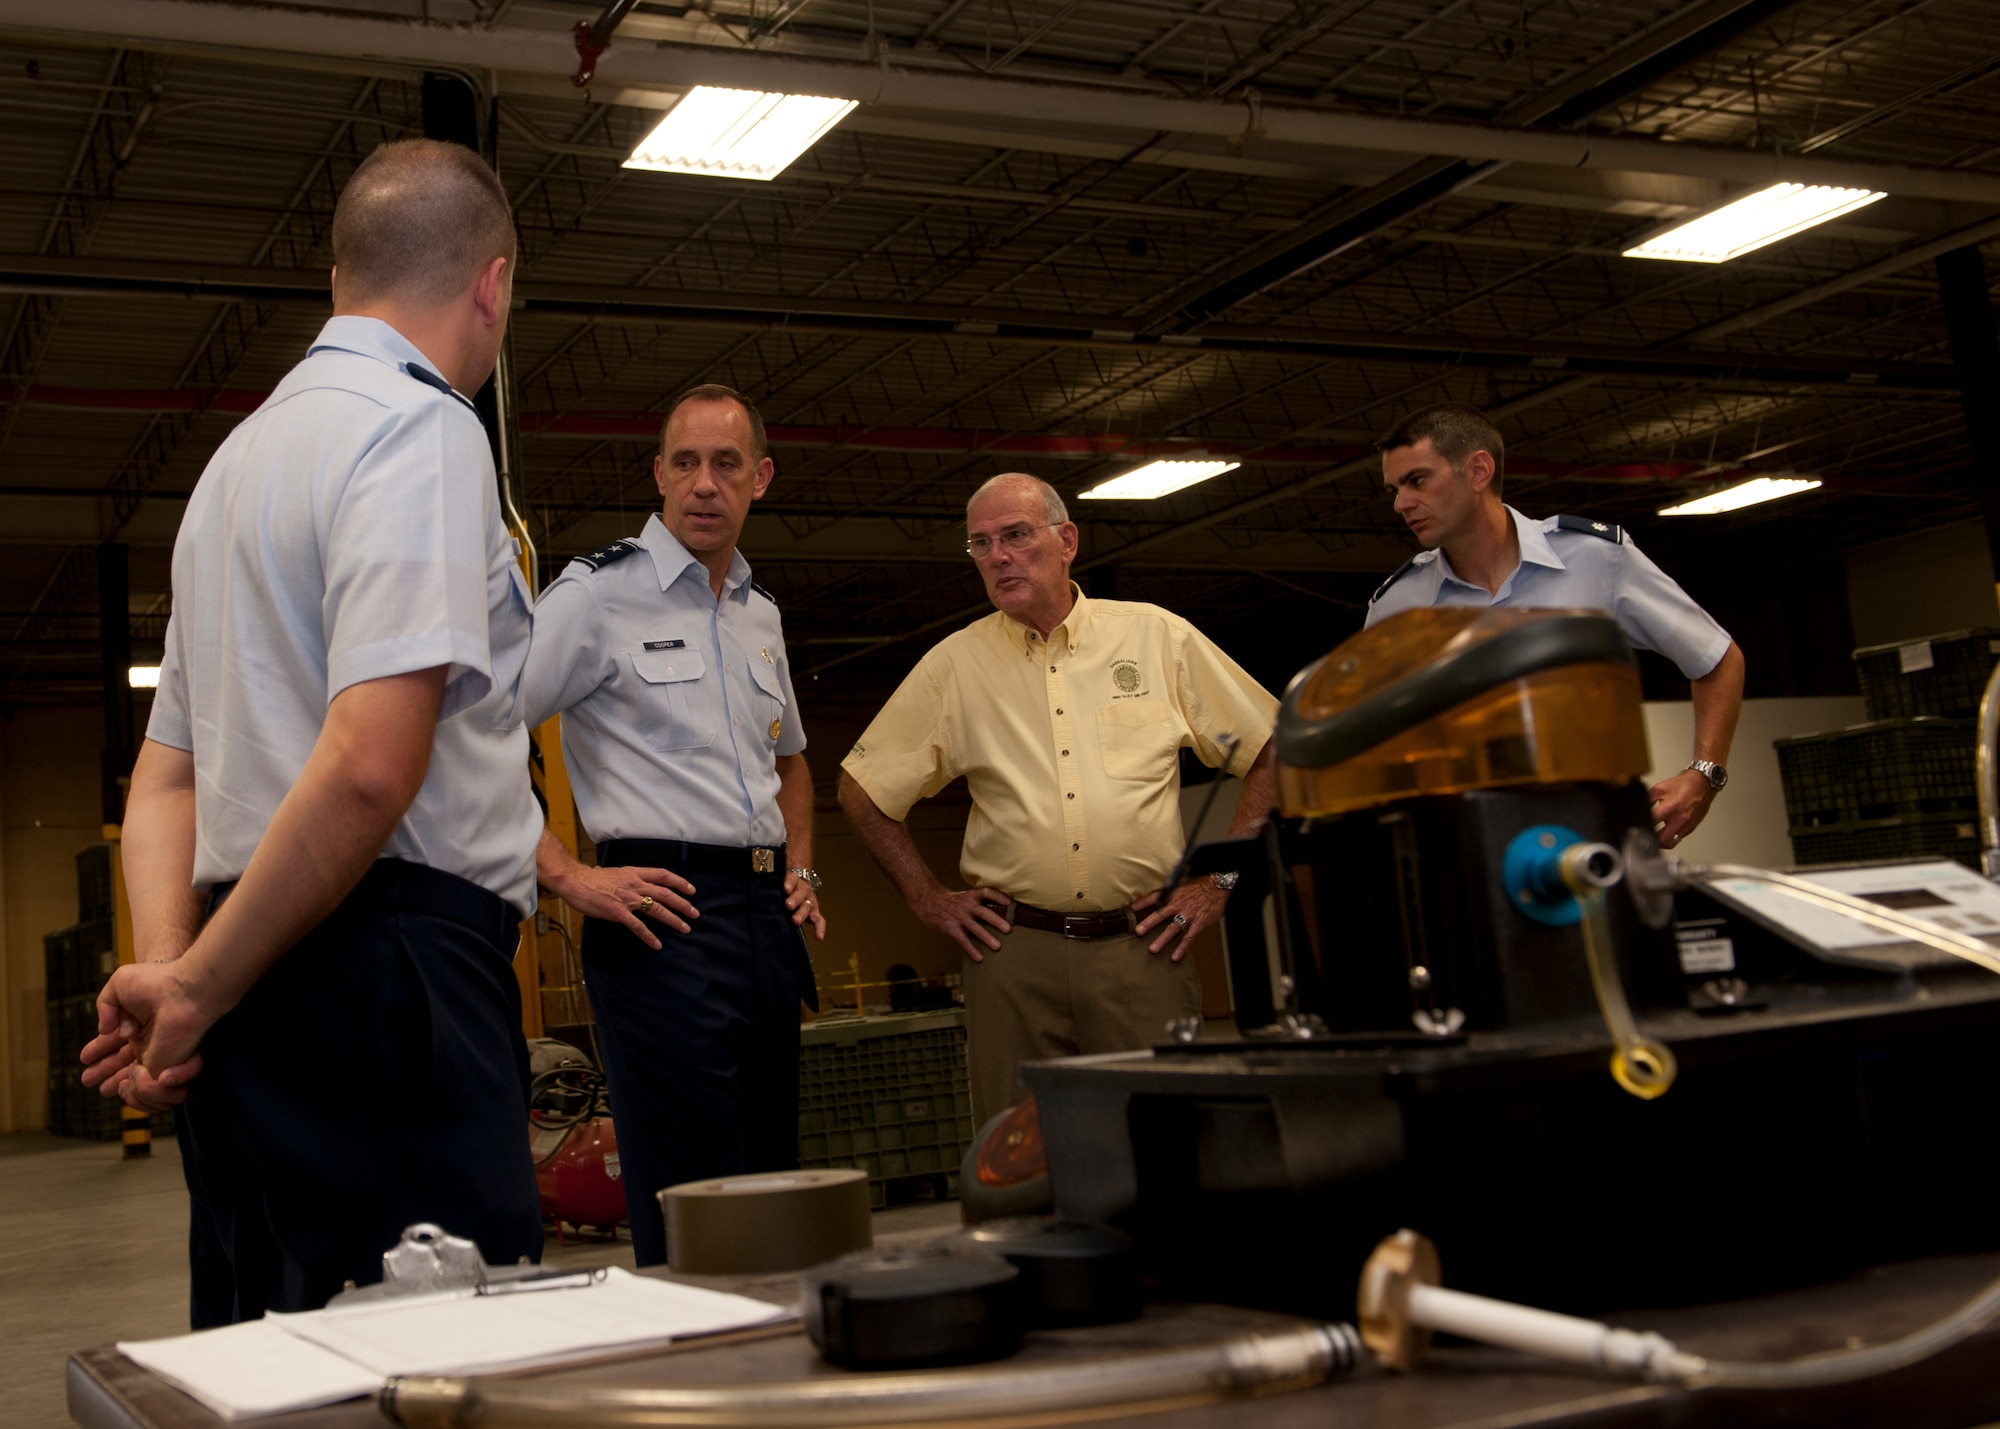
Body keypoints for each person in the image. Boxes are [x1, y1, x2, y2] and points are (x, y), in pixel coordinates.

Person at [79, 139, 544, 1324]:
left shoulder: (230, 470)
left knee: (269, 1357)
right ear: (491, 286)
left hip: (243, 995)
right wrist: (189, 991)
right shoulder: (421, 429)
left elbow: (165, 777)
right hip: (390, 981)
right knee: (439, 1365)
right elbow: (370, 766)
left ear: (337, 281)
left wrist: (177, 970)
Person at [837, 474, 1279, 1127]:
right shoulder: (954, 667)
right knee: (1017, 1161)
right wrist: (926, 897)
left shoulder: (1158, 639)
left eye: (1015, 535)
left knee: (1168, 1146)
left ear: (1066, 539)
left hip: (1145, 948)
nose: (998, 556)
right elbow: (861, 790)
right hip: (1015, 956)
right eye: (981, 544)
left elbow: (1270, 749)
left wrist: (1220, 882)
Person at [518, 384, 823, 1268]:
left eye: (726, 463)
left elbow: (794, 763)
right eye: (684, 462)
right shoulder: (596, 594)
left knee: (773, 1175)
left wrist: (804, 870)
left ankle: (772, 1377)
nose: (703, 483)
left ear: (759, 477)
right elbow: (480, 725)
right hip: (661, 914)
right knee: (695, 1188)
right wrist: (566, 873)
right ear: (657, 473)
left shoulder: (758, 614)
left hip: (766, 918)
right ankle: (703, 1378)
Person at [1367, 403, 1745, 849]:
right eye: (1395, 489)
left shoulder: (1595, 559)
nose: (1401, 503)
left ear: (1478, 471)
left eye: (1417, 480)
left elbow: (1717, 659)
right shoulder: (1396, 607)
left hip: (1594, 846)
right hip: (1462, 855)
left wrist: (1704, 774)